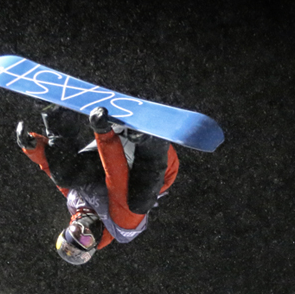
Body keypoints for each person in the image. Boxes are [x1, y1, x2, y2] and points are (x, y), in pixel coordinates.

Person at [17, 105, 180, 264]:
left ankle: (56, 113)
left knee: (65, 176)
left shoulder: (77, 203)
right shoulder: (121, 226)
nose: (83, 230)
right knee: (137, 203)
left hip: (116, 145)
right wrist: (104, 134)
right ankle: (152, 141)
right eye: (85, 240)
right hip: (152, 161)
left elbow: (52, 169)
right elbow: (116, 178)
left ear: (70, 226)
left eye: (75, 231)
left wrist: (33, 148)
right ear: (94, 244)